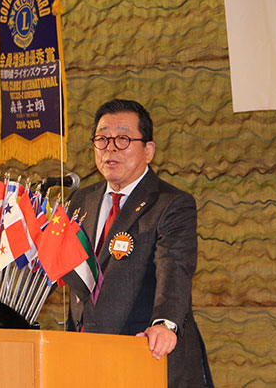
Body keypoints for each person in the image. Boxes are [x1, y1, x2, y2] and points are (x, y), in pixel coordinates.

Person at [66, 99, 213, 387]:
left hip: (146, 352)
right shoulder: (80, 201)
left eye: (123, 139)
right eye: (102, 139)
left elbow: (174, 269)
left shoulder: (171, 203)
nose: (110, 148)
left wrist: (164, 324)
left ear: (148, 150)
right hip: (87, 356)